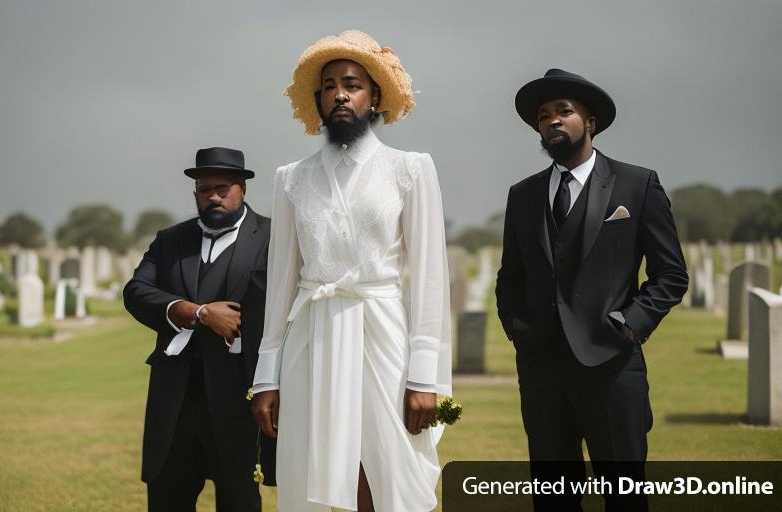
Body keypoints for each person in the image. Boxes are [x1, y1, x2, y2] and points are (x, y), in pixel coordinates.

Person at [250, 30, 452, 512]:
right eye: (329, 86)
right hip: (312, 337)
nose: (340, 94)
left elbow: (429, 278)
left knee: (387, 470)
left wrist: (426, 379)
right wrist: (266, 378)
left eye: (352, 84)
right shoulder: (290, 178)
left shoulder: (410, 169)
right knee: (316, 466)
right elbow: (280, 282)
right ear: (318, 99)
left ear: (374, 96)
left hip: (382, 333)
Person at [495, 69, 688, 511]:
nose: (552, 121)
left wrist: (629, 325)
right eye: (544, 116)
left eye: (564, 111)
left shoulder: (636, 185)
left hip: (612, 366)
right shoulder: (522, 196)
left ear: (591, 121)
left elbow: (671, 274)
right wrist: (518, 328)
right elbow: (511, 276)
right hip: (542, 369)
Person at [123, 147, 273, 511]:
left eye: (223, 188)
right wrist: (198, 312)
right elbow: (136, 291)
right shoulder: (170, 240)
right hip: (175, 400)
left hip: (239, 402)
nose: (214, 197)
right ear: (195, 193)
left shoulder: (274, 237)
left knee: (239, 502)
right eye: (205, 190)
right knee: (167, 501)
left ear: (242, 189)